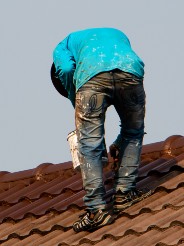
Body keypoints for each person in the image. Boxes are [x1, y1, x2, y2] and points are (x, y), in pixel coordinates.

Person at [51, 27, 150, 231]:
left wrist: (75, 98)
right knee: (133, 131)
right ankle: (124, 194)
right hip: (130, 71)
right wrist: (118, 143)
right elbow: (114, 71)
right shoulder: (116, 34)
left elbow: (67, 71)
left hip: (91, 79)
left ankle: (96, 210)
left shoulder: (62, 47)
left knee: (89, 144)